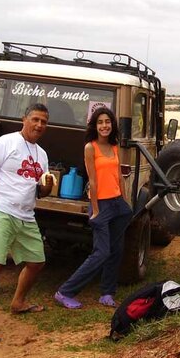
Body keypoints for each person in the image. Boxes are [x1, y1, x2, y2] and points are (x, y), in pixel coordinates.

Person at [0, 103, 56, 344]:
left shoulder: (42, 154)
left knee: (37, 262)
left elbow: (39, 190)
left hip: (26, 215)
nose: (39, 125)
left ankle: (18, 302)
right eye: (36, 119)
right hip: (1, 211)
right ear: (25, 119)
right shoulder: (5, 143)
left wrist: (46, 188)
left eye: (44, 122)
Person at [54, 107, 132, 309]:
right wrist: (96, 210)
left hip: (117, 204)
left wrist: (125, 201)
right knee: (101, 252)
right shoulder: (91, 147)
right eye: (100, 122)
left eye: (107, 122)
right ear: (95, 126)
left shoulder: (114, 146)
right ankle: (65, 292)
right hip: (101, 205)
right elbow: (93, 181)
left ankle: (107, 293)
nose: (104, 125)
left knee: (116, 250)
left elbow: (118, 176)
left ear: (112, 125)